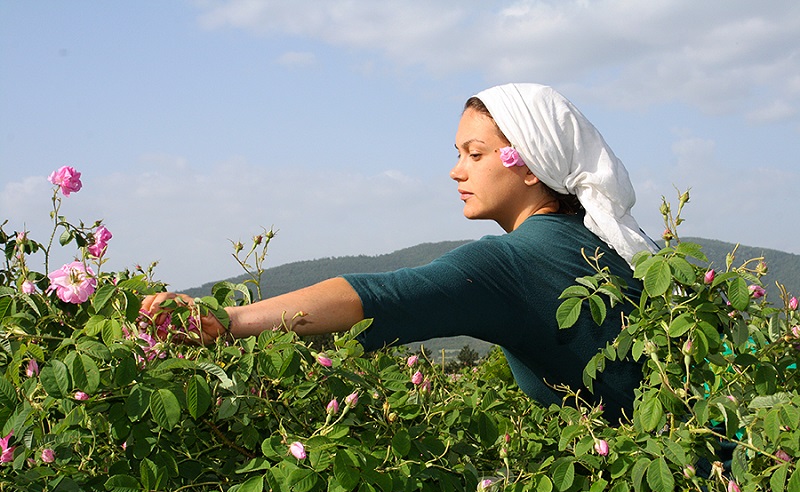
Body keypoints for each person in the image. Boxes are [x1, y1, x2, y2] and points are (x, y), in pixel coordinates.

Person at [141, 83, 657, 421]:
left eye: (474, 154)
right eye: (457, 154)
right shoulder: (612, 248)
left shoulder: (512, 262)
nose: (457, 171)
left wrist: (227, 319)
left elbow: (382, 296)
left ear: (529, 166)